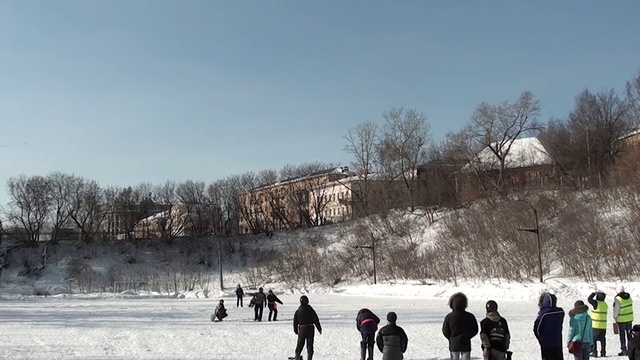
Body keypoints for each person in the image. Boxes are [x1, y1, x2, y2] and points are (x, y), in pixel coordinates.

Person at [442, 292, 479, 360]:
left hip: (454, 344)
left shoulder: (449, 317)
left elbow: (445, 331)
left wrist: (451, 338)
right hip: (466, 343)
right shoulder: (470, 316)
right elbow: (475, 329)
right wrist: (468, 336)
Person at [533, 291, 565, 360]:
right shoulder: (560, 311)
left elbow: (537, 329)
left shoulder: (543, 313)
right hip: (557, 342)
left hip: (546, 344)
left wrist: (541, 340)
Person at [293, 295, 322, 360]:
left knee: (300, 345)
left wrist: (295, 330)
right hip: (310, 329)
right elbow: (316, 319)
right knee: (310, 346)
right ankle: (309, 358)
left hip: (302, 329)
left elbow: (295, 321)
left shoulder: (298, 311)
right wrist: (319, 328)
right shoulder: (311, 310)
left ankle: (297, 357)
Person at [614, 285, 634, 356]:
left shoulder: (618, 299)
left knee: (622, 335)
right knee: (629, 335)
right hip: (629, 319)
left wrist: (615, 317)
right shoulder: (629, 297)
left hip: (621, 320)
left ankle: (624, 349)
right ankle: (631, 349)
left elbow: (616, 310)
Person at [587, 291, 607, 357]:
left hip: (596, 325)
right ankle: (603, 352)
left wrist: (593, 293)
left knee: (593, 339)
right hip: (603, 325)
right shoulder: (605, 304)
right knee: (602, 339)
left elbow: (589, 299)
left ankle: (594, 352)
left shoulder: (596, 303)